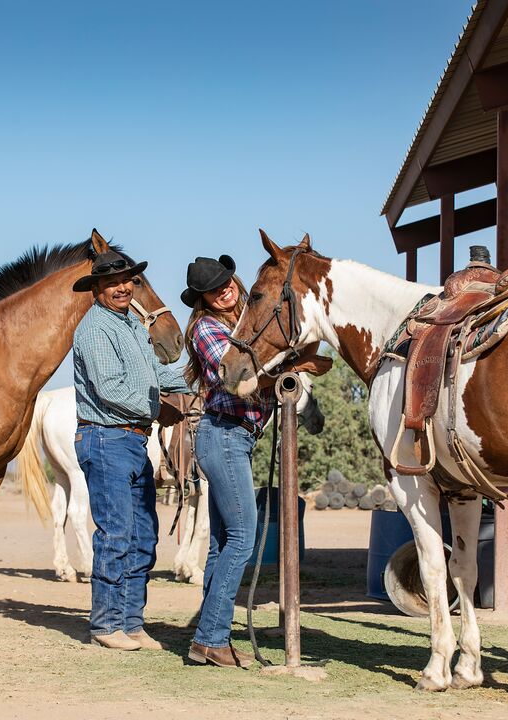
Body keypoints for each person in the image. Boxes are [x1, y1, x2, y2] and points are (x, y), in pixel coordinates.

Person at [180, 255, 328, 668]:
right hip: (224, 435)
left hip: (234, 439)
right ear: (202, 299)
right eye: (213, 289)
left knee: (222, 544)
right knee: (243, 538)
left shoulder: (248, 320)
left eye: (226, 281)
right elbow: (235, 380)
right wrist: (293, 367)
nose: (224, 289)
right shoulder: (207, 330)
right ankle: (210, 638)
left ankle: (211, 637)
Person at [72, 248, 189, 651]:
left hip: (132, 438)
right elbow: (110, 389)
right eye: (112, 283)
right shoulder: (94, 329)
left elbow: (157, 373)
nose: (122, 288)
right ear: (97, 289)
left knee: (143, 534)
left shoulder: (133, 327)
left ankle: (131, 622)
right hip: (106, 437)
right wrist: (159, 406)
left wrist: (200, 375)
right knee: (117, 532)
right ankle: (106, 625)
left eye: (128, 281)